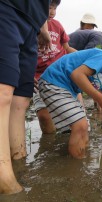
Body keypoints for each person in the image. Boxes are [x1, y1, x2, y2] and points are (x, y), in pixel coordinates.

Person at [0, 0, 51, 194]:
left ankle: (19, 162)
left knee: (21, 99)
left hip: (33, 24)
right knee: (3, 92)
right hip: (8, 7)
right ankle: (4, 180)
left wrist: (43, 26)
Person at [33, 0, 77, 134]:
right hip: (39, 77)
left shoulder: (57, 26)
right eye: (49, 7)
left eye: (55, 8)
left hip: (61, 75)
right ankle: (49, 143)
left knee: (72, 111)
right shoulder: (30, 25)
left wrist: (84, 57)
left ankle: (70, 135)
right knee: (44, 115)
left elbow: (67, 48)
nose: (52, 12)